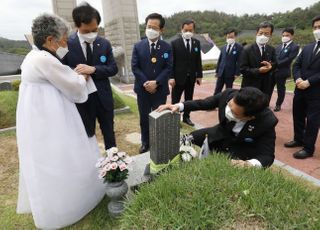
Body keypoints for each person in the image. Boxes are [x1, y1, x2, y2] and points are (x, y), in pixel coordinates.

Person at [16, 14, 104, 229]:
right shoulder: (45, 59)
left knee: (49, 159)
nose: (66, 42)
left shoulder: (33, 56)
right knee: (65, 154)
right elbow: (73, 87)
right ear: (49, 40)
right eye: (63, 38)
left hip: (41, 116)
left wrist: (72, 76)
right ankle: (72, 203)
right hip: (52, 118)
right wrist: (81, 76)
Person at [157, 87, 278, 168]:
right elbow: (204, 103)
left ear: (250, 117)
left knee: (217, 168)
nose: (228, 111)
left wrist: (249, 164)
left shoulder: (266, 123)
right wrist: (179, 106)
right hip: (220, 133)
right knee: (186, 139)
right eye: (229, 105)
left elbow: (267, 156)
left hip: (240, 150)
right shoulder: (228, 94)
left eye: (234, 113)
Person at [63, 3, 118, 151]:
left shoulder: (104, 44)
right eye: (86, 31)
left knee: (109, 134)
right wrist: (76, 73)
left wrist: (93, 69)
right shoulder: (66, 44)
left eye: (95, 30)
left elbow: (113, 68)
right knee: (86, 134)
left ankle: (115, 166)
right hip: (81, 99)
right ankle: (88, 166)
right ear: (77, 26)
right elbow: (59, 68)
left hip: (103, 97)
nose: (91, 34)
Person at [131, 13, 173, 153]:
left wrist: (157, 82)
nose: (151, 30)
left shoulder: (167, 47)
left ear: (161, 30)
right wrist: (146, 83)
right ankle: (145, 142)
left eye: (155, 27)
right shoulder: (138, 46)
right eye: (149, 26)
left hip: (159, 90)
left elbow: (168, 67)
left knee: (159, 117)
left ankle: (159, 142)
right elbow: (135, 67)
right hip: (142, 90)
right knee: (144, 118)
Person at [284, 16, 320, 159]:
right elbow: (296, 65)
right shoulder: (308, 47)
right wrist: (298, 78)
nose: (318, 30)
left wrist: (309, 81)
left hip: (316, 91)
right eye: (315, 27)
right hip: (300, 88)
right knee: (298, 115)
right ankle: (298, 139)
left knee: (312, 120)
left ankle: (308, 148)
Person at [171, 19, 203, 126]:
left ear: (193, 30)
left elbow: (198, 60)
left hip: (191, 78)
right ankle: (174, 118)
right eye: (186, 30)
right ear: (181, 30)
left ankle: (186, 117)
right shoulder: (174, 43)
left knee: (189, 100)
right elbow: (171, 62)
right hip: (178, 78)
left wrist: (199, 75)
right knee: (175, 99)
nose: (188, 32)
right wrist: (171, 77)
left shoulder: (196, 43)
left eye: (190, 30)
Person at [240, 21, 277, 103]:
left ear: (270, 35)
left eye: (266, 33)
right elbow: (242, 69)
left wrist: (270, 66)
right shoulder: (247, 49)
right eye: (261, 33)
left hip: (266, 87)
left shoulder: (271, 49)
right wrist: (258, 70)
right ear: (256, 33)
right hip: (250, 87)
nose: (263, 36)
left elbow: (275, 64)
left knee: (263, 109)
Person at [273, 28, 299, 112]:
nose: (285, 37)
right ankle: (265, 103)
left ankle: (278, 104)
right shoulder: (278, 46)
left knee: (280, 89)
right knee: (269, 87)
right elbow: (274, 57)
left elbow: (289, 59)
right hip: (273, 71)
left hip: (282, 72)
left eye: (287, 35)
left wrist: (276, 64)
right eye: (283, 35)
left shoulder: (295, 47)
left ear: (292, 36)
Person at [214, 29, 243, 95]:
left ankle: (225, 103)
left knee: (228, 90)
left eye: (231, 37)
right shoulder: (223, 47)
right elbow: (220, 60)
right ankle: (214, 102)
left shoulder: (239, 47)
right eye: (228, 37)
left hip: (230, 73)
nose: (229, 38)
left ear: (235, 37)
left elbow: (239, 61)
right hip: (221, 73)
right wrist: (217, 71)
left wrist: (237, 73)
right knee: (217, 89)